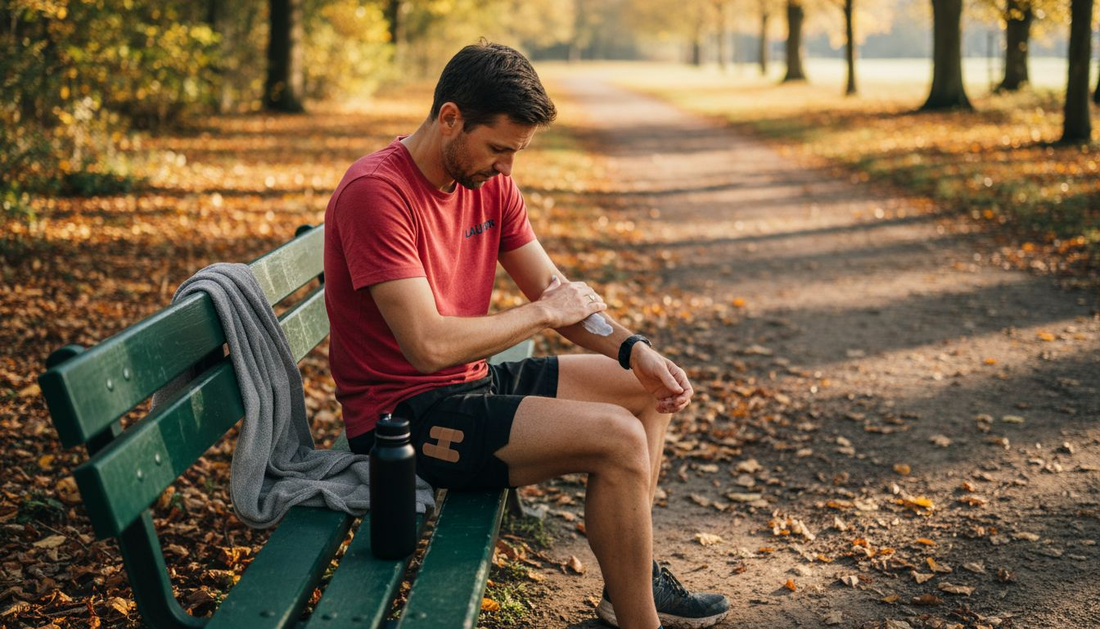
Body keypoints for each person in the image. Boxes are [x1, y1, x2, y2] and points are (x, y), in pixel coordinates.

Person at [323, 40, 730, 629]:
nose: (507, 168)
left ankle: (627, 587)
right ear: (450, 118)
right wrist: (542, 313)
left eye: (515, 152)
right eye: (498, 149)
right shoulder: (376, 192)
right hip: (405, 420)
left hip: (471, 383)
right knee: (617, 438)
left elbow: (554, 291)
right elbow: (429, 345)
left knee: (642, 390)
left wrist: (634, 349)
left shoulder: (489, 185)